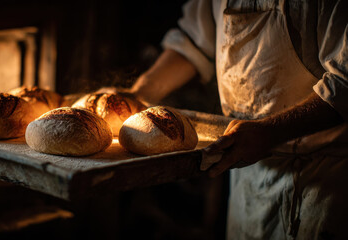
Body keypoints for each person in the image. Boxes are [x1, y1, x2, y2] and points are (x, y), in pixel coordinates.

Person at [129, 0, 348, 239]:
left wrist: (269, 132)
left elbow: (344, 83)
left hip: (318, 181)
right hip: (245, 173)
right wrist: (140, 92)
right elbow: (193, 41)